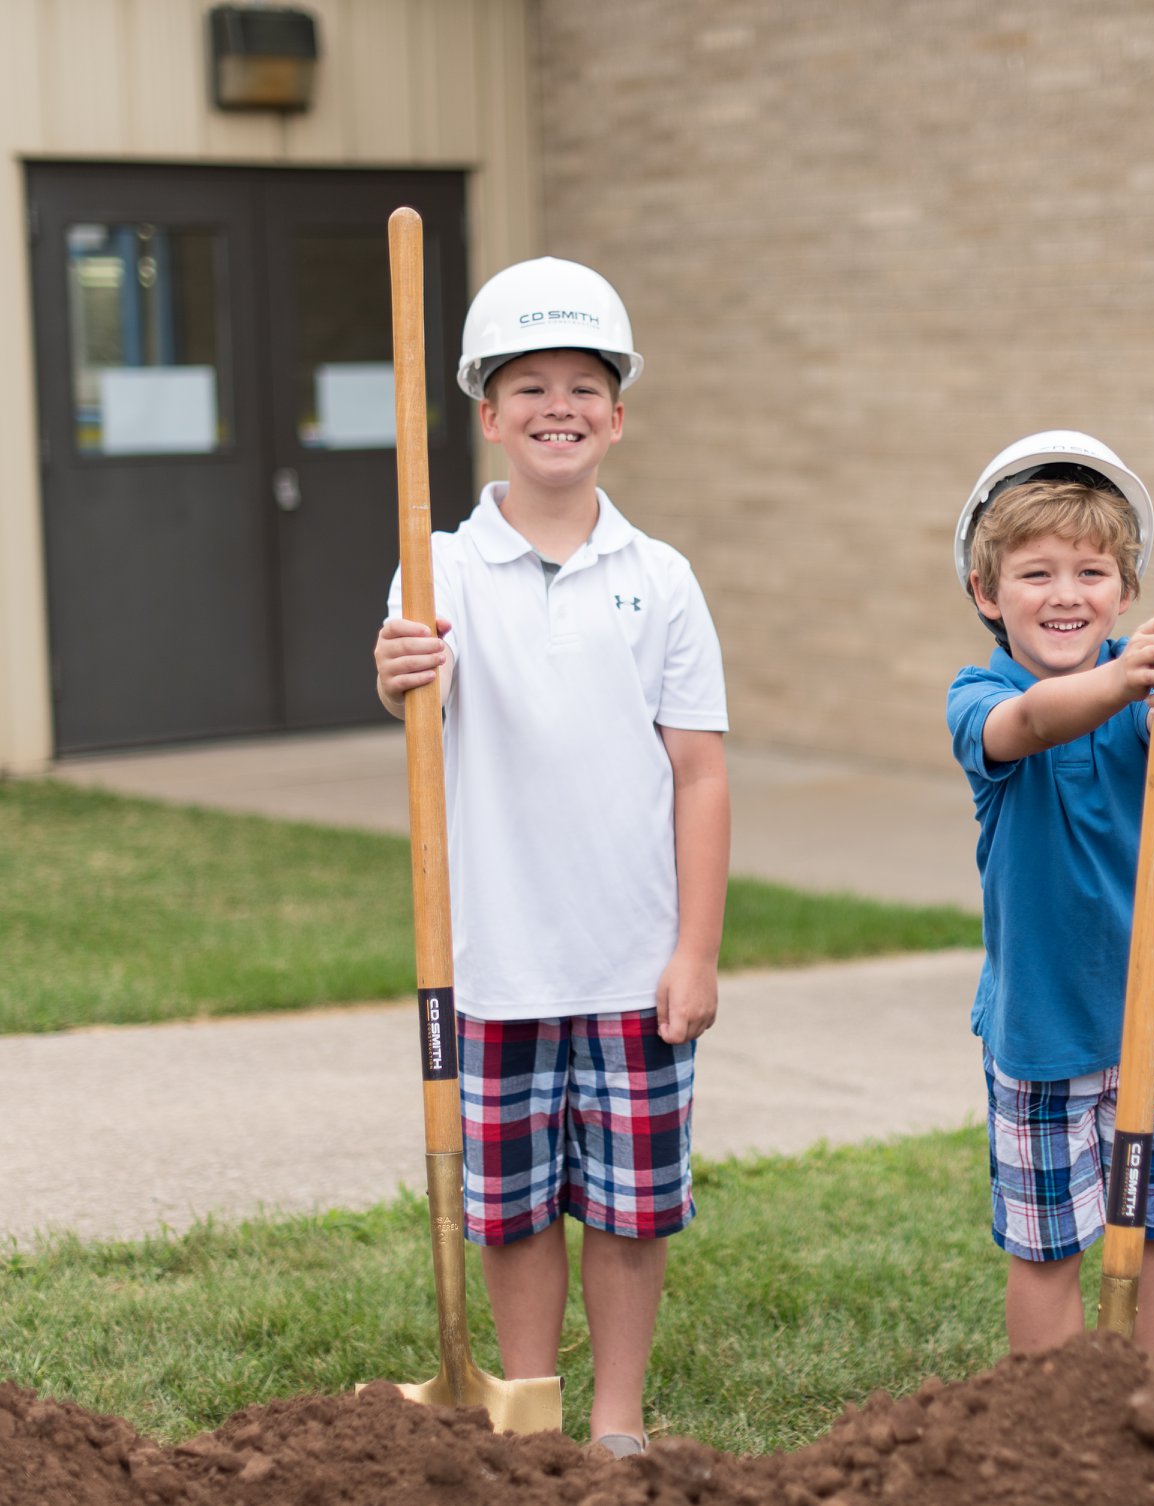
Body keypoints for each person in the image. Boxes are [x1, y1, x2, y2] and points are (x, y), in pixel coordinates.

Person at [372, 257, 730, 1453]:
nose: (557, 406)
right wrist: (395, 674)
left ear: (618, 416)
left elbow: (699, 772)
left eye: (584, 385)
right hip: (498, 966)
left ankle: (617, 1424)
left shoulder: (662, 581)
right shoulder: (441, 571)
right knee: (513, 1210)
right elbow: (415, 692)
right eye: (529, 385)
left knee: (631, 1213)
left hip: (635, 963)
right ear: (486, 412)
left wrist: (694, 949)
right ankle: (527, 1415)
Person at [945, 431, 1154, 1358]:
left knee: (1151, 1230)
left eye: (1091, 571)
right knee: (1046, 1246)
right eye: (1035, 574)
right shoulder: (980, 693)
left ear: (1125, 591)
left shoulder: (1141, 689)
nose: (1066, 594)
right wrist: (1123, 676)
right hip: (1038, 1031)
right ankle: (1050, 1424)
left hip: (1150, 1019)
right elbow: (1026, 724)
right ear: (986, 594)